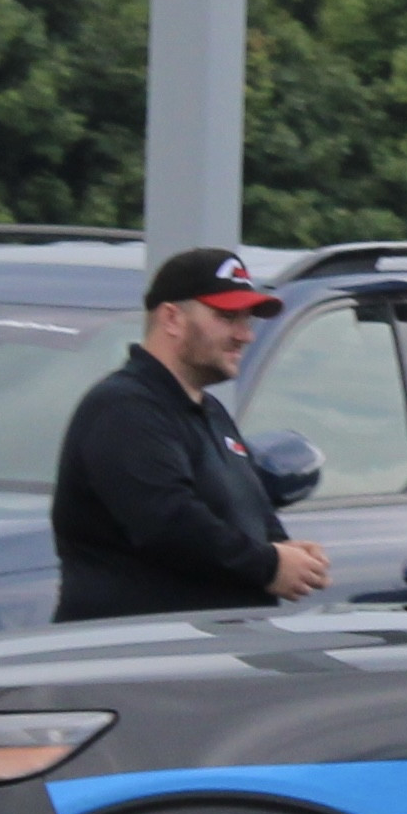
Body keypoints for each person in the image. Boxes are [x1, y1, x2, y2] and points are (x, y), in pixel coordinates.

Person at [51, 247, 330, 621]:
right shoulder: (125, 409)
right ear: (172, 318)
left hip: (210, 657)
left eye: (246, 319)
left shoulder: (210, 413)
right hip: (138, 657)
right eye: (227, 316)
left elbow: (247, 512)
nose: (244, 335)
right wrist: (267, 565)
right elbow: (168, 523)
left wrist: (284, 550)